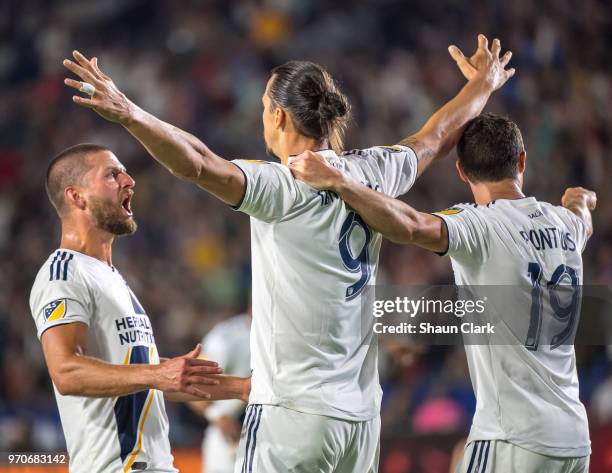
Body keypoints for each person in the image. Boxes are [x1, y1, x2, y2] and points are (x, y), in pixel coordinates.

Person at [61, 34, 514, 472]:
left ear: (279, 117)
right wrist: (483, 85)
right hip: (360, 419)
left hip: (291, 411)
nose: (261, 117)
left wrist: (128, 112)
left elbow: (196, 161)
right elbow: (435, 137)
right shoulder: (374, 172)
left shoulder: (282, 185)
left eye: (263, 107)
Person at [289, 112, 595, 472]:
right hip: (574, 439)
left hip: (513, 439)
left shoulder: (480, 225)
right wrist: (581, 201)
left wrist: (340, 182)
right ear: (522, 160)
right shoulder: (564, 225)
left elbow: (411, 224)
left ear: (462, 172)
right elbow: (583, 221)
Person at [29, 144, 250, 473]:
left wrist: (244, 388)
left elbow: (144, 375)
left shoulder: (112, 277)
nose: (129, 180)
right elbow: (66, 371)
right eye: (112, 174)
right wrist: (158, 374)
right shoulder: (63, 273)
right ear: (77, 197)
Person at [189, 312, 252, 473]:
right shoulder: (228, 336)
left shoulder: (292, 335)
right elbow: (192, 382)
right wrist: (217, 416)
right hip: (229, 441)